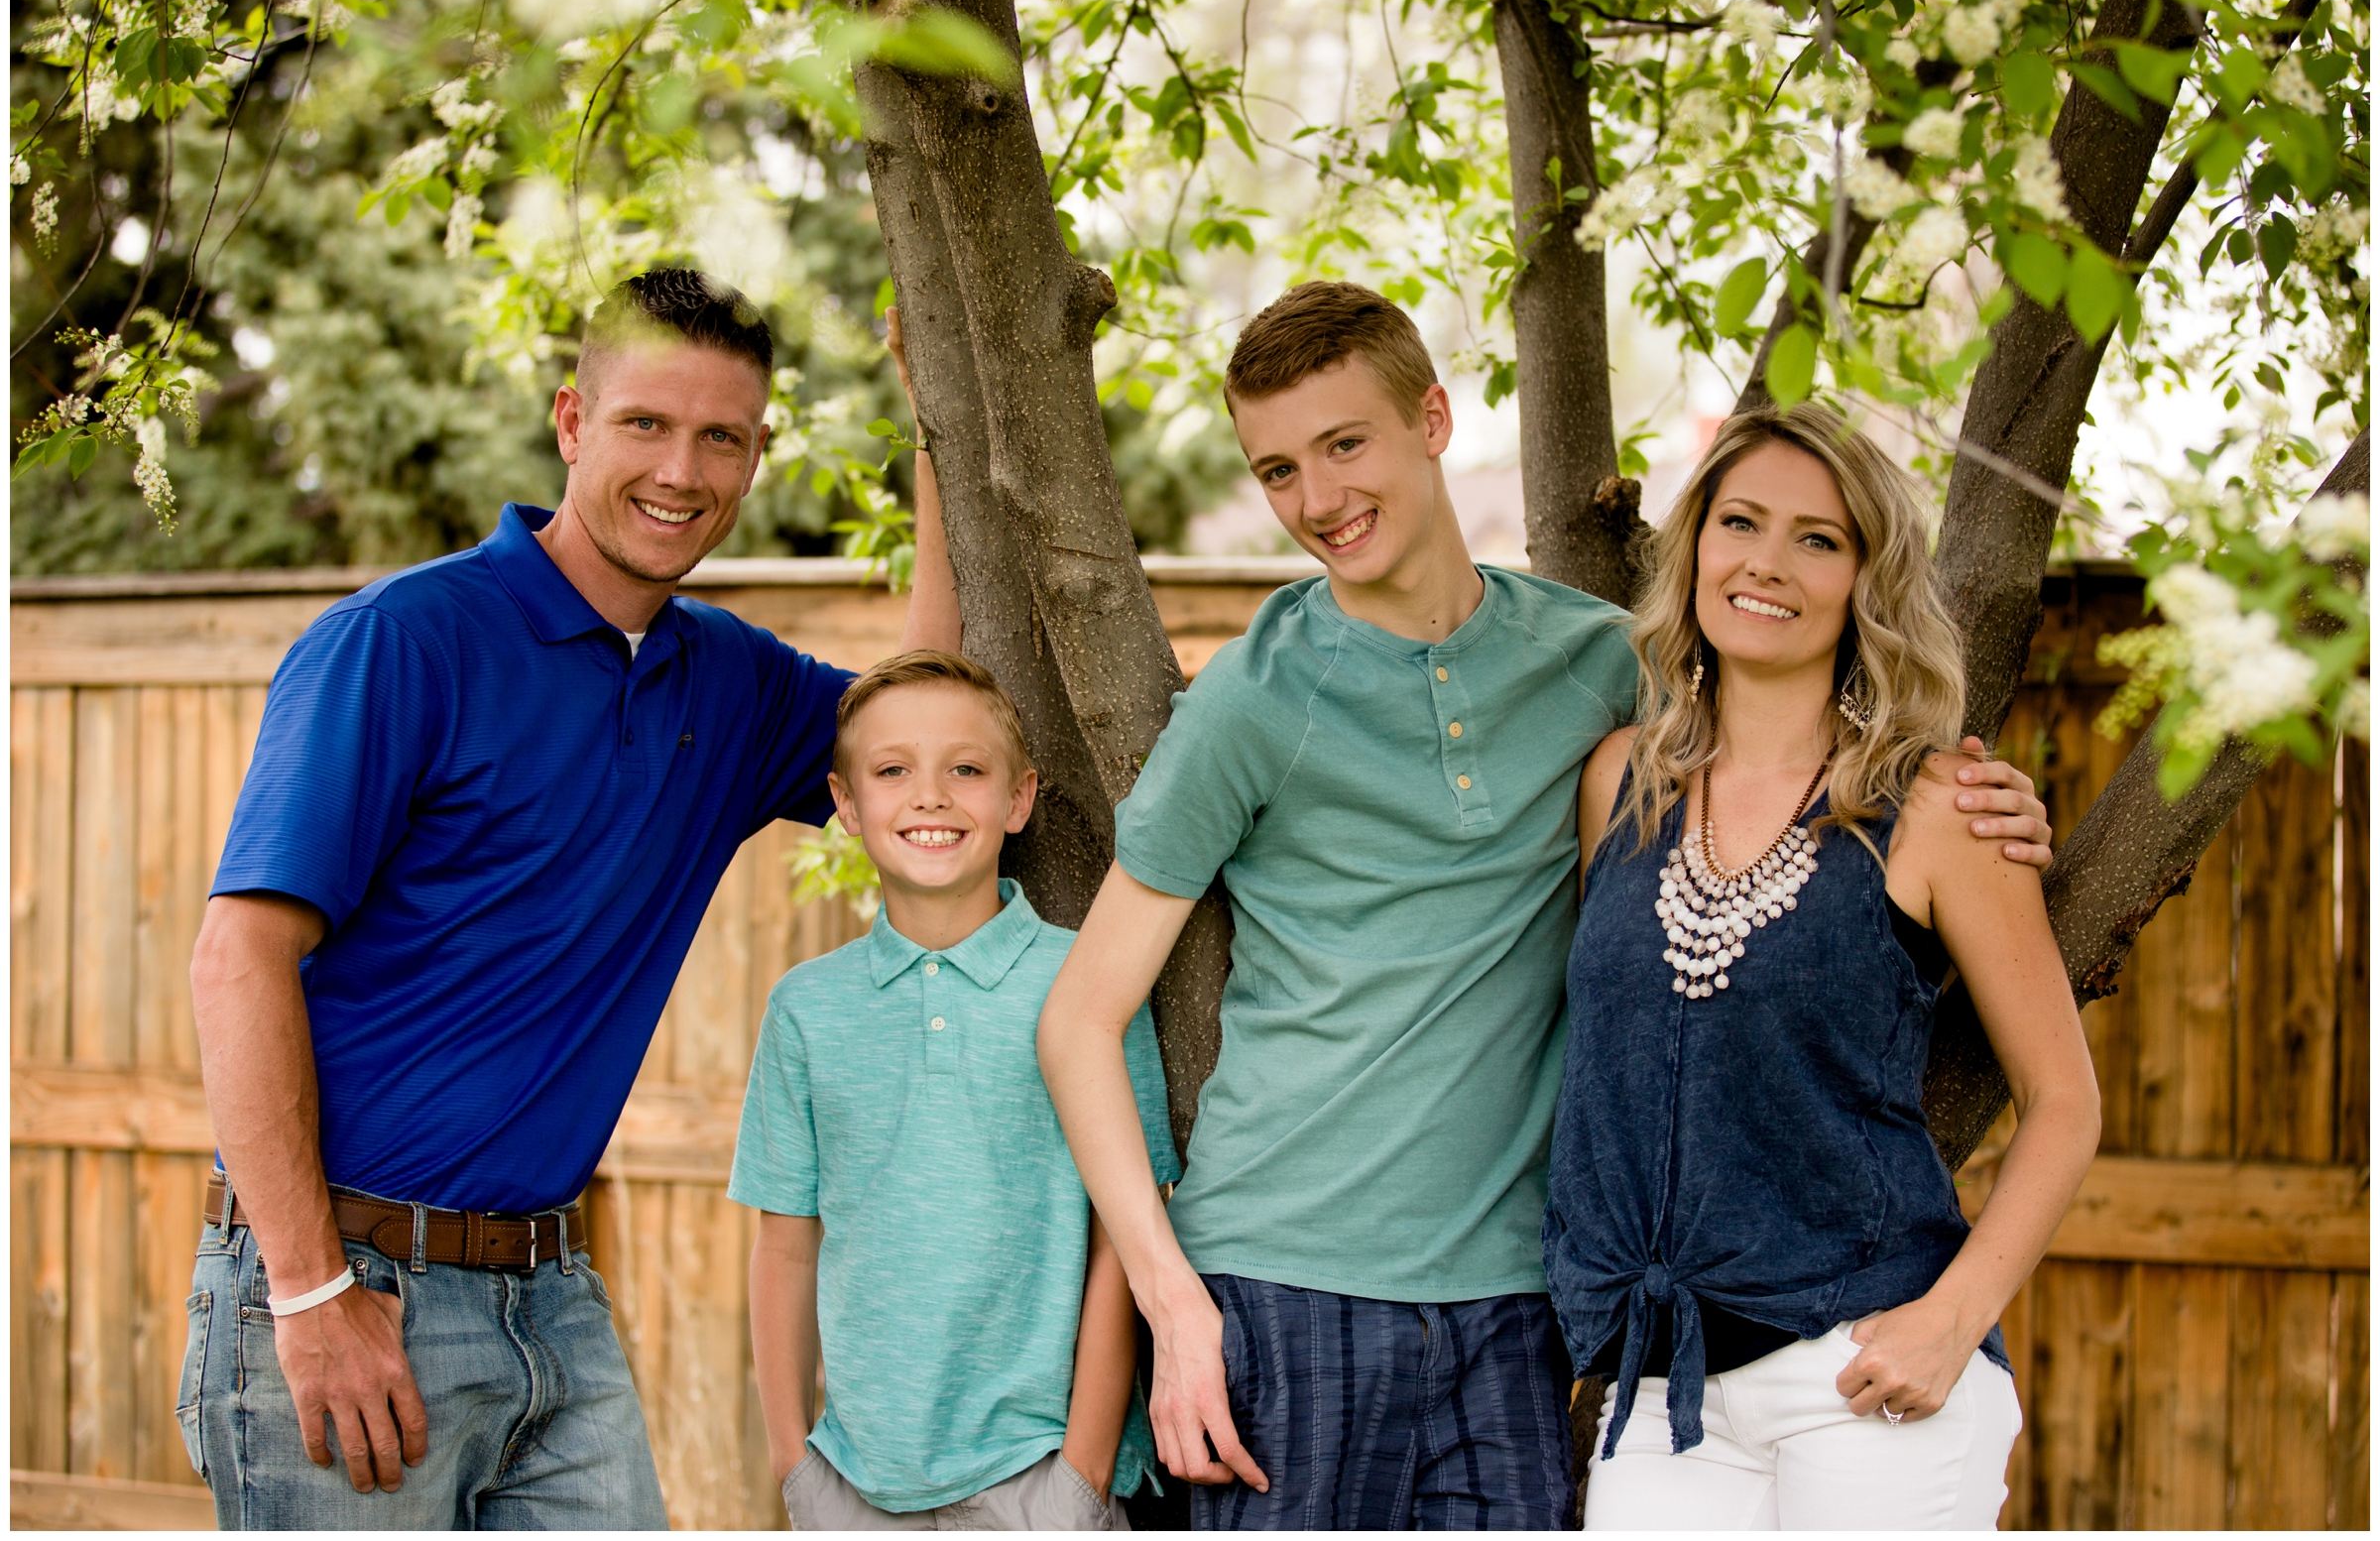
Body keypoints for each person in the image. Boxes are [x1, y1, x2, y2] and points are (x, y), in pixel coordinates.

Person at [1033, 281, 2058, 1530]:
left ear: (1433, 419)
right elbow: (1080, 1020)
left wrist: (1983, 804)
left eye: (1345, 444)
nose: (1318, 499)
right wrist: (1172, 1298)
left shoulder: (1599, 667)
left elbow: (1786, 715)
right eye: (1278, 470)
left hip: (1522, 1307)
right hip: (1288, 1280)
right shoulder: (1252, 705)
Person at [180, 268, 960, 1529]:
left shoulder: (732, 683)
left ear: (758, 455)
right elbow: (237, 959)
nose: (684, 470)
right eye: (647, 424)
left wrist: (940, 431)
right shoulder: (407, 641)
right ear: (571, 423)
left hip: (551, 1293)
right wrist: (310, 1291)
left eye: (724, 437)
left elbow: (934, 719)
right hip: (349, 1282)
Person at [1547, 403, 2102, 1530]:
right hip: (1662, 1389)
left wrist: (1951, 1321)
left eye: (1819, 538)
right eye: (1740, 522)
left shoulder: (1943, 807)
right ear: (1696, 544)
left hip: (1861, 1371)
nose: (1766, 562)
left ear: (1865, 580)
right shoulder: (1618, 785)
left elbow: (2064, 1101)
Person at [734, 650, 1179, 1530]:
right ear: (847, 805)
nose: (930, 796)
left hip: (1038, 1478)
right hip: (855, 1484)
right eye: (893, 770)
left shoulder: (1089, 986)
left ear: (1018, 798)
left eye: (966, 769)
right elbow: (784, 1250)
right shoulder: (807, 1009)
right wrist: (796, 1470)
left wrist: (1082, 1475)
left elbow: (1119, 1238)